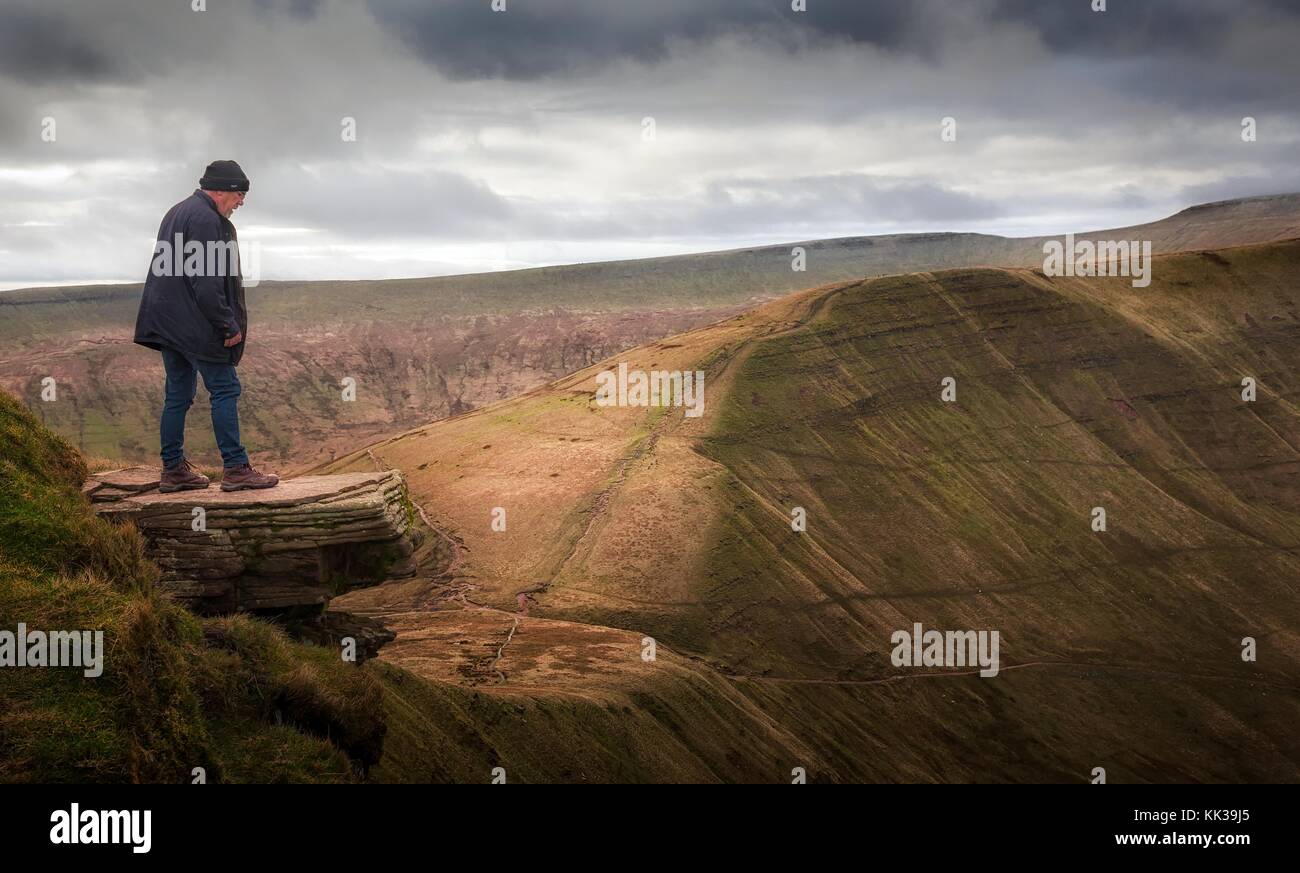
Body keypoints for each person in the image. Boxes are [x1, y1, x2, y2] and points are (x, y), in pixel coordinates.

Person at [133, 160, 279, 493]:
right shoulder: (206, 220)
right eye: (239, 194)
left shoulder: (178, 212)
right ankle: (236, 468)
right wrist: (228, 326)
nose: (241, 202)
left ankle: (172, 471)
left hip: (170, 324)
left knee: (178, 394)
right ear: (222, 190)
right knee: (225, 389)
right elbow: (207, 282)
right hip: (195, 325)